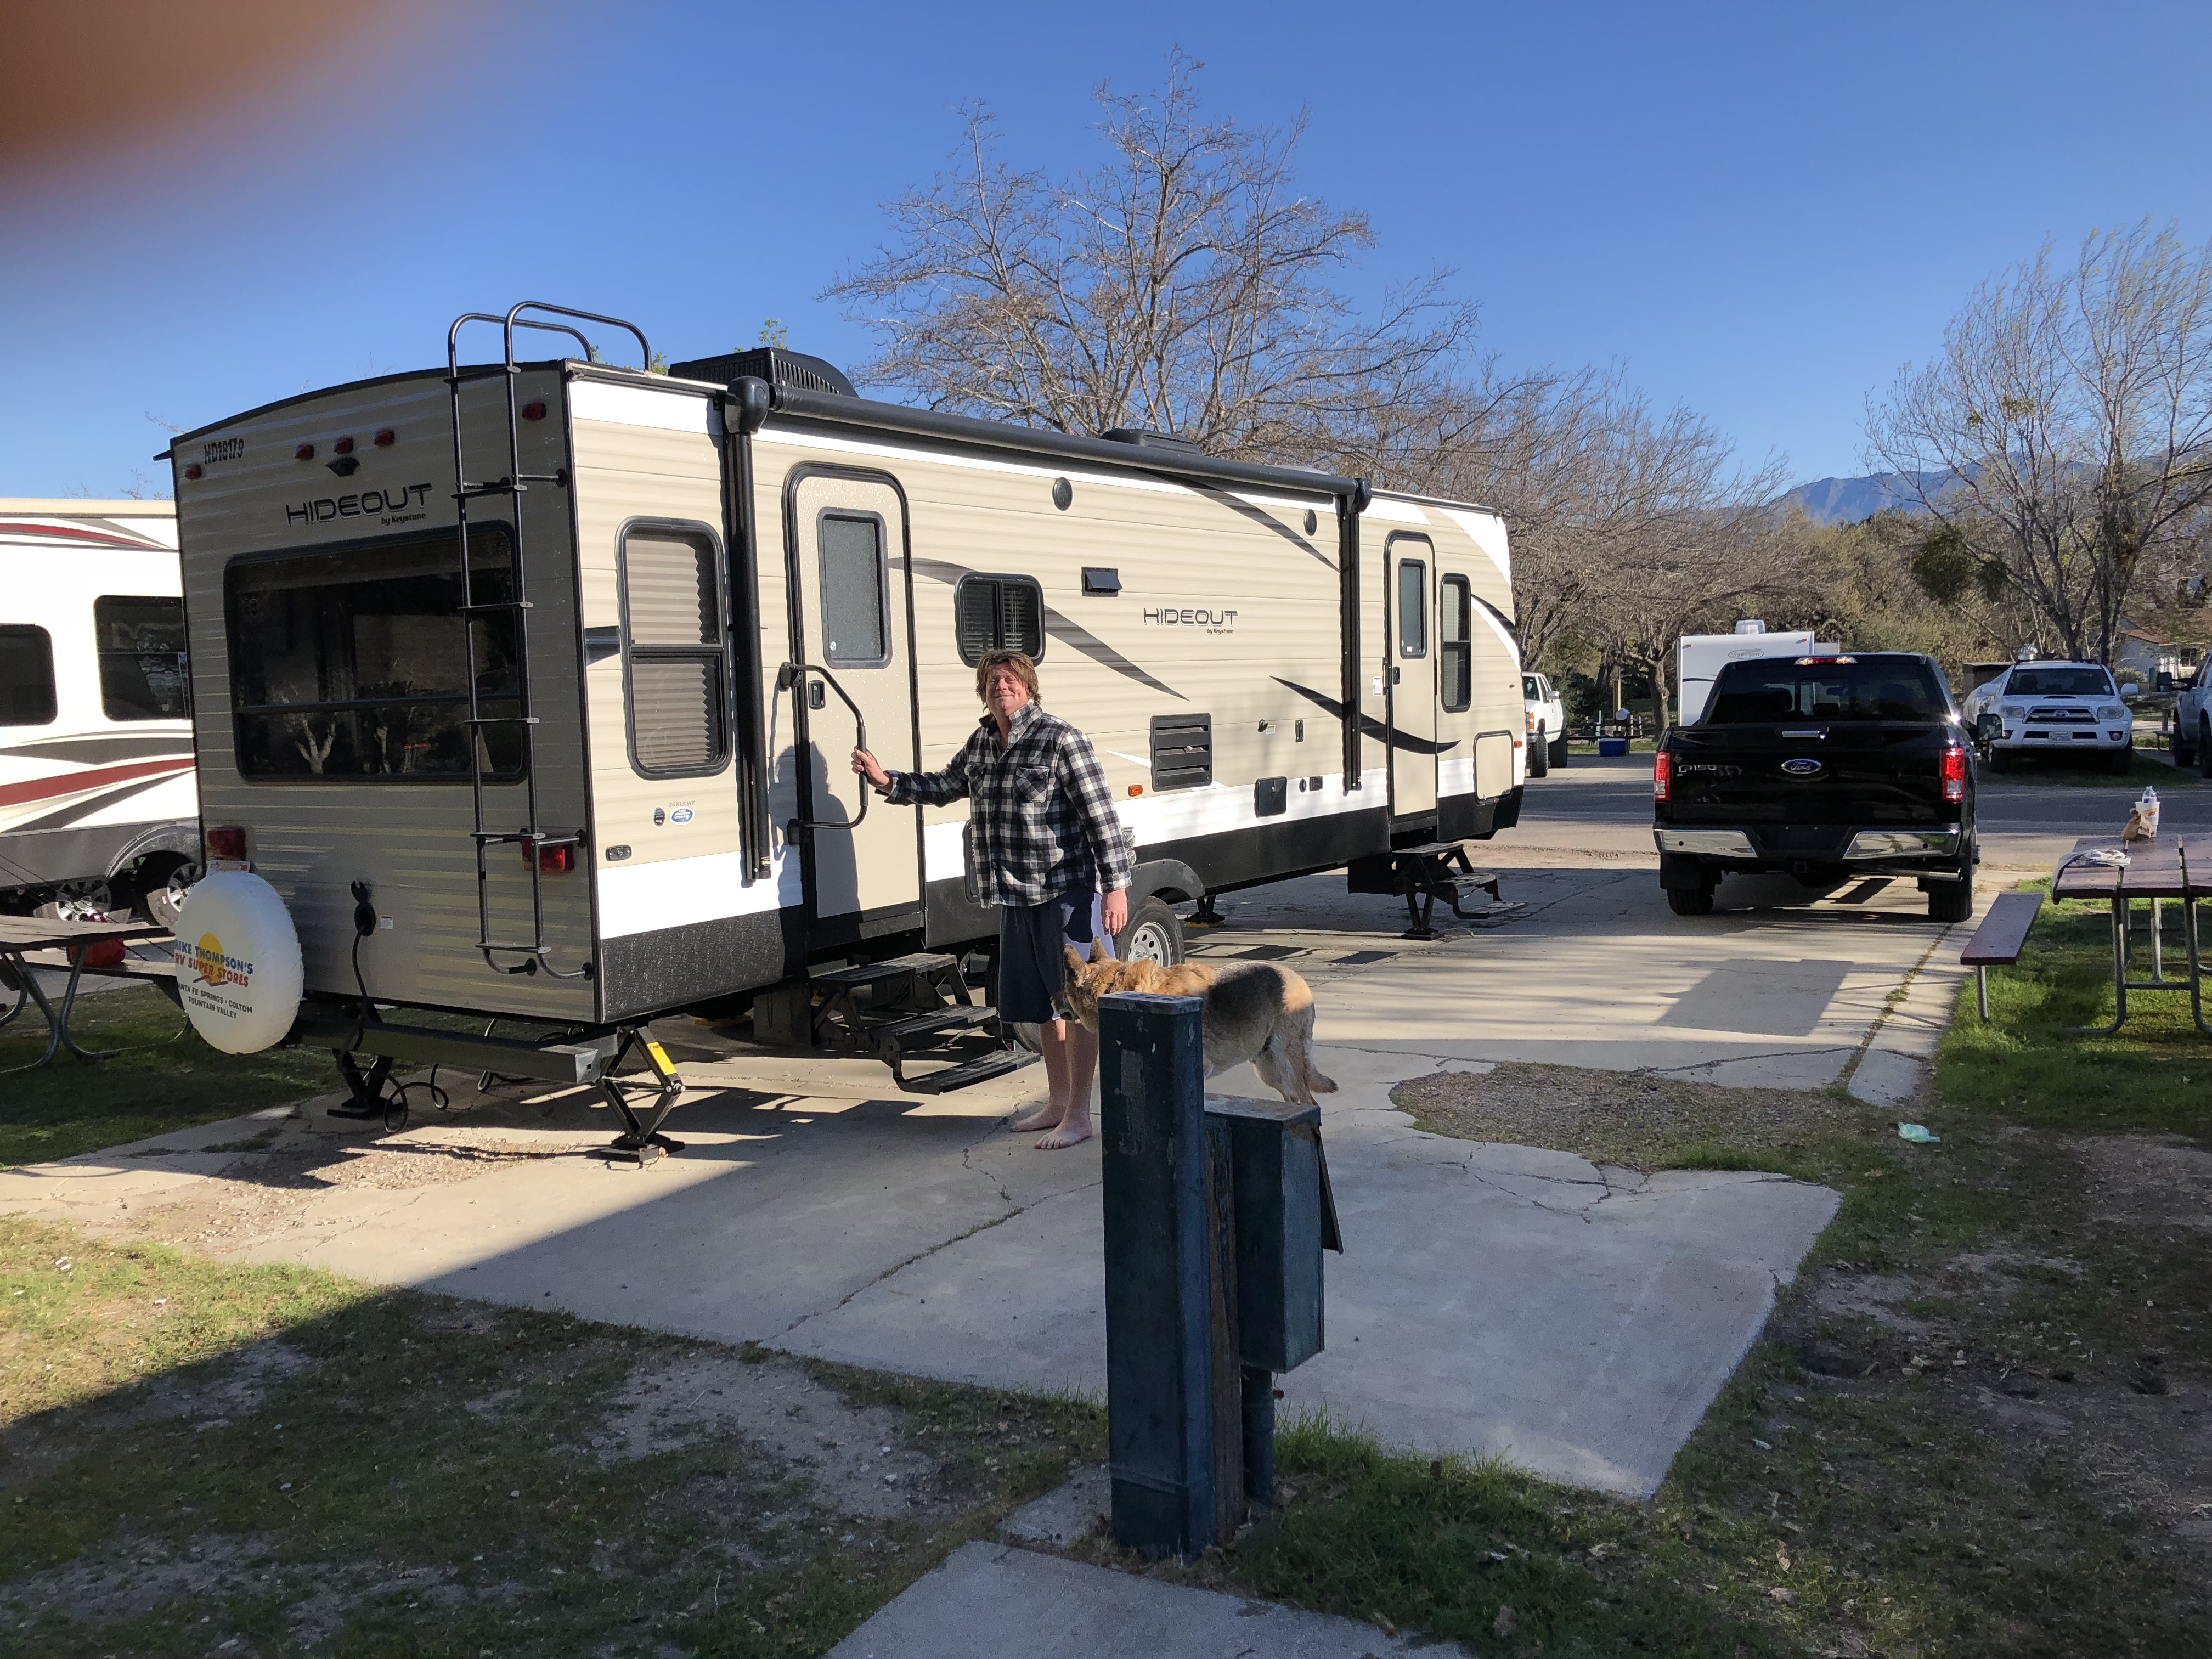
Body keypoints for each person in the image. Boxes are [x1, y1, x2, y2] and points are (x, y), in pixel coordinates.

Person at [851, 649, 1130, 1150]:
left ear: (1029, 686)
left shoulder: (1061, 739)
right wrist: (888, 782)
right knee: (1043, 1008)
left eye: (1010, 679)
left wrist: (1115, 885)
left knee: (1081, 1005)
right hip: (1015, 896)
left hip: (1065, 891)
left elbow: (1101, 817)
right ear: (983, 691)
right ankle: (1057, 1102)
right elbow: (944, 785)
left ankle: (1080, 1115)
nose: (1001, 685)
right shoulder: (981, 744)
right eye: (992, 680)